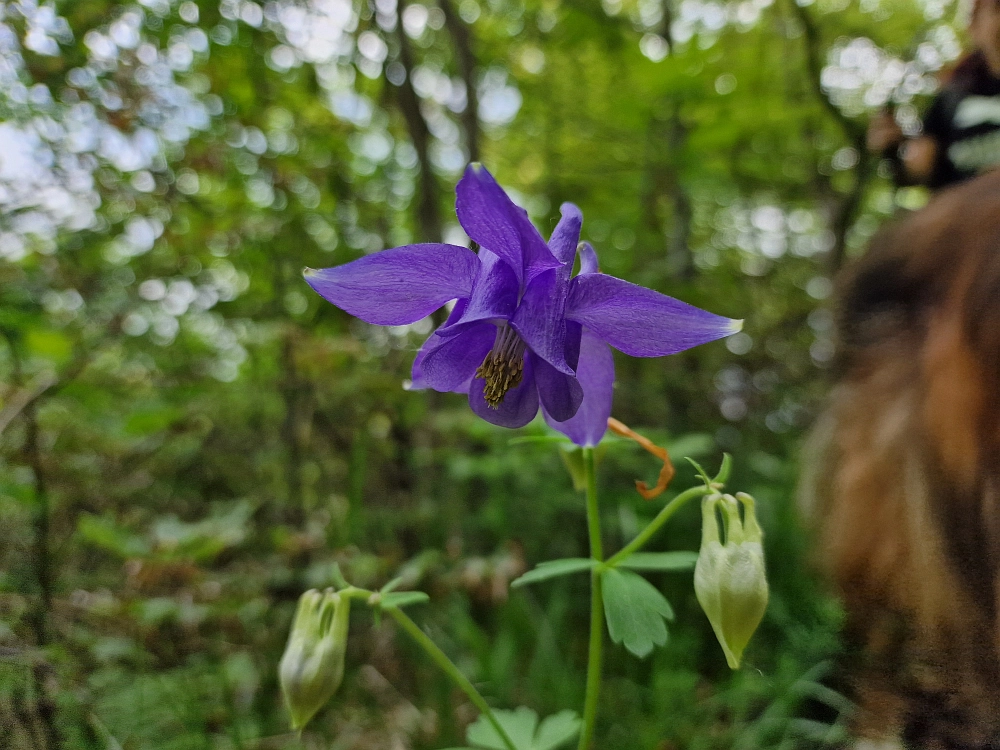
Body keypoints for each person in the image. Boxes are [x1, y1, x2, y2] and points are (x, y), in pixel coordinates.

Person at [868, 0, 1000, 189]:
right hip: (968, 204)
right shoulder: (950, 100)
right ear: (974, 27)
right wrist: (892, 149)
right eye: (997, 8)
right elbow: (918, 168)